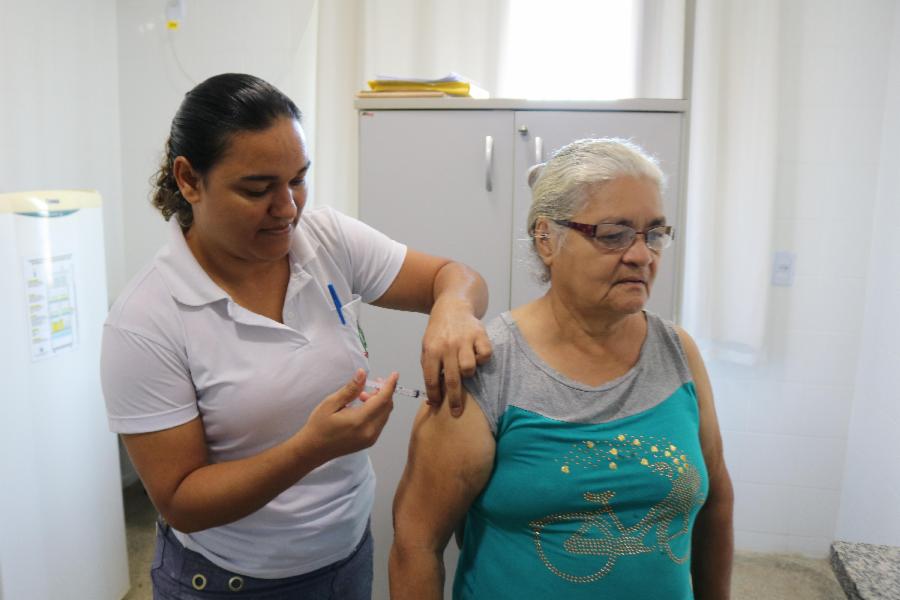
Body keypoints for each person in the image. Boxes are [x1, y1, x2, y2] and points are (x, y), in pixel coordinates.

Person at [100, 73, 491, 599]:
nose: (287, 208)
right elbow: (181, 499)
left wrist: (454, 311)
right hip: (228, 582)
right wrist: (310, 449)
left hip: (347, 555)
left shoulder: (326, 239)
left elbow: (456, 276)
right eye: (257, 189)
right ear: (190, 180)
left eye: (299, 179)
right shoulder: (146, 320)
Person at [390, 138, 734, 599]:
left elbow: (716, 505)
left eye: (654, 233)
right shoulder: (487, 366)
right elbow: (417, 543)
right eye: (613, 234)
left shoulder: (678, 354)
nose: (642, 255)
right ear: (546, 239)